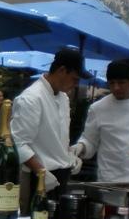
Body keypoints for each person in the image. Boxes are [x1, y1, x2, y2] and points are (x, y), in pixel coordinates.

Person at [10, 47, 88, 208]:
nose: (75, 84)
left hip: (62, 173)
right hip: (38, 175)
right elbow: (18, 143)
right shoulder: (31, 98)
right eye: (74, 79)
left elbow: (58, 137)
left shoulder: (63, 98)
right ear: (61, 70)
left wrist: (70, 156)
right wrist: (41, 173)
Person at [70, 59, 129, 183]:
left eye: (121, 82)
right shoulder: (98, 108)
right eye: (112, 83)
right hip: (111, 179)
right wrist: (80, 147)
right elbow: (90, 140)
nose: (116, 88)